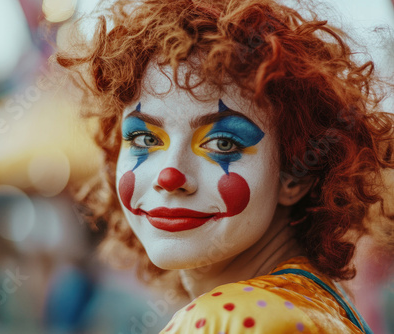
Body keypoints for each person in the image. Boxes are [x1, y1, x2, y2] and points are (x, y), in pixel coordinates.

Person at [54, 0, 394, 332]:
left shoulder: (223, 319)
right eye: (145, 139)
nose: (169, 176)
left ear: (295, 174)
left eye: (222, 143)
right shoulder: (323, 306)